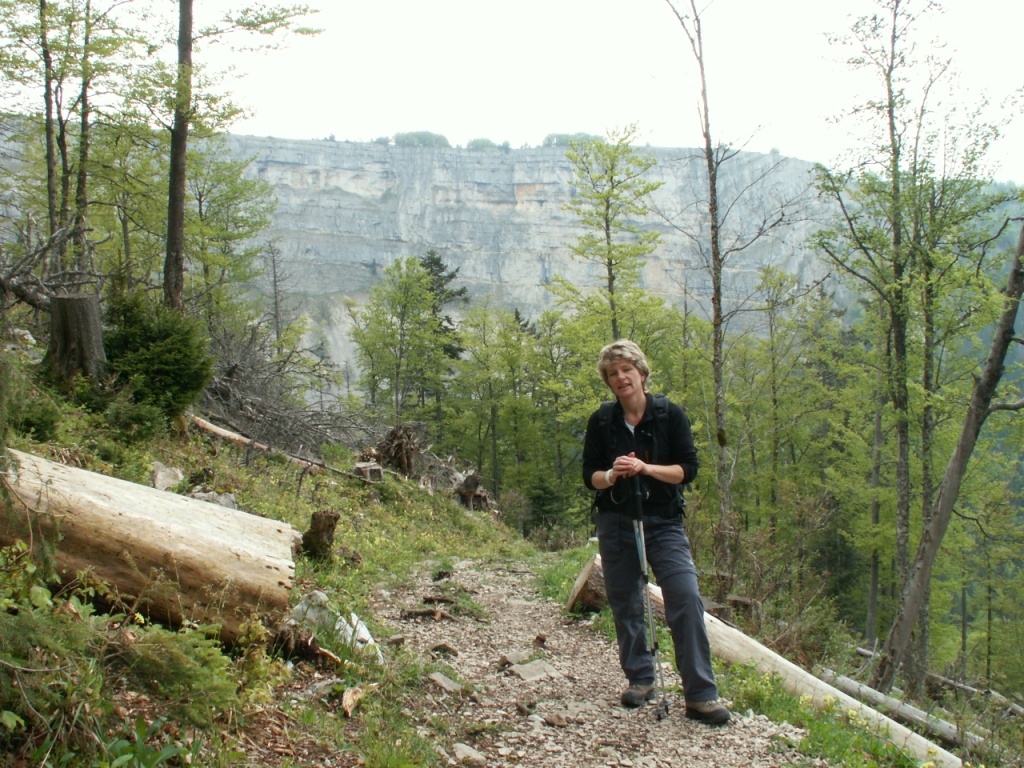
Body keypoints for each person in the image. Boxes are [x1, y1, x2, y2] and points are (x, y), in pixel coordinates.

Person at [582, 339, 730, 725]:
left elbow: (687, 470)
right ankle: (641, 678)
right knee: (626, 602)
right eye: (613, 374)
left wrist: (646, 469)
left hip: (664, 523)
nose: (620, 378)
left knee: (685, 597)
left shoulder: (669, 415)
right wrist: (612, 474)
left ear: (642, 374)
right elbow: (590, 476)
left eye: (626, 370)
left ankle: (701, 694)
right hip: (616, 522)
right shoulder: (602, 421)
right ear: (608, 381)